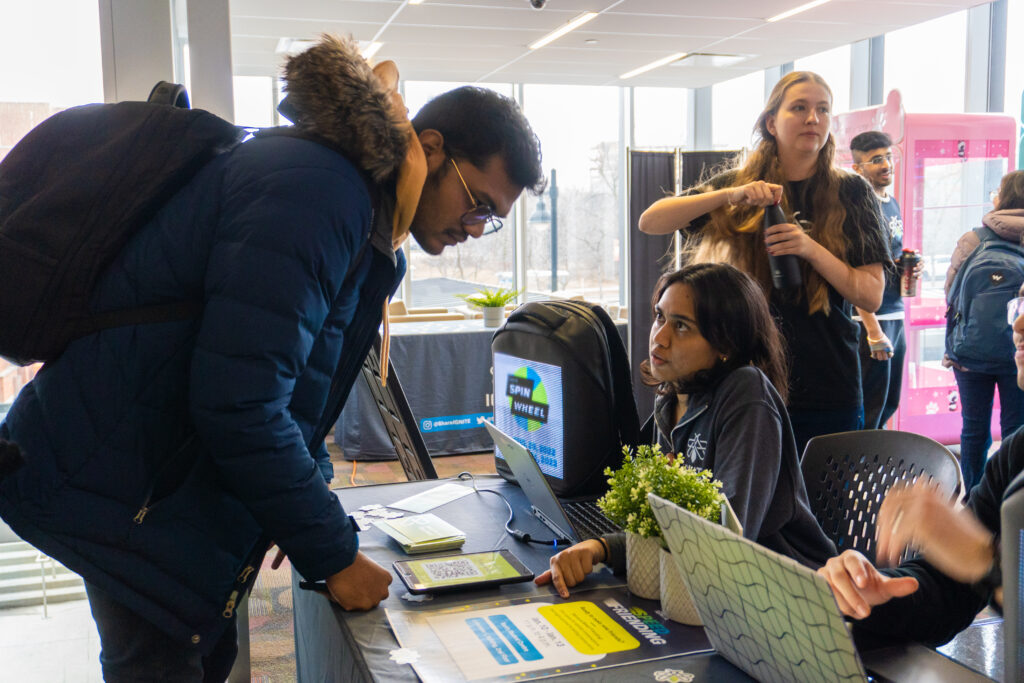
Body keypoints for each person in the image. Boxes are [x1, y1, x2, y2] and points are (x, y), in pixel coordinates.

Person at [0, 36, 544, 680]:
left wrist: (304, 489)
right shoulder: (319, 193)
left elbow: (287, 382)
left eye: (494, 221)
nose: (475, 229)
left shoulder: (347, 201)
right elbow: (239, 402)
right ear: (428, 149)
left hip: (152, 481)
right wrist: (333, 554)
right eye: (477, 203)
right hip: (130, 489)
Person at [535, 263, 836, 598]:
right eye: (659, 317)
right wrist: (600, 548)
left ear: (725, 344)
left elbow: (726, 535)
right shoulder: (672, 397)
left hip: (784, 592)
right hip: (700, 584)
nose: (659, 338)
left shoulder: (746, 394)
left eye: (681, 326)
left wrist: (612, 547)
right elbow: (657, 520)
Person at [639, 71, 890, 453]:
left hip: (828, 386)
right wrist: (729, 195)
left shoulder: (852, 192)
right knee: (744, 507)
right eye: (800, 108)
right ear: (772, 122)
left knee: (820, 508)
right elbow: (651, 220)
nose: (813, 119)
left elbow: (870, 296)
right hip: (746, 384)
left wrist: (808, 248)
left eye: (823, 110)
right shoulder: (739, 186)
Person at [818, 280, 1024, 647]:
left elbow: (977, 567)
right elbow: (949, 593)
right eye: (1020, 306)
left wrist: (987, 562)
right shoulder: (1016, 456)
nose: (1019, 326)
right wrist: (876, 592)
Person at [943, 170, 1024, 494]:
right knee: (1015, 428)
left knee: (974, 429)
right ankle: (1011, 497)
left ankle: (975, 499)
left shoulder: (974, 239)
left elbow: (951, 294)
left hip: (970, 352)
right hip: (1016, 352)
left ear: (1002, 198)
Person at [850, 131, 907, 430]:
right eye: (875, 160)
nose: (885, 164)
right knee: (870, 408)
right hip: (870, 321)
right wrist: (873, 331)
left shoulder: (891, 203)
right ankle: (860, 472)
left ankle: (877, 469)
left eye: (887, 156)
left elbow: (887, 258)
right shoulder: (860, 209)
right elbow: (856, 269)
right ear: (857, 168)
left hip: (895, 312)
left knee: (888, 403)